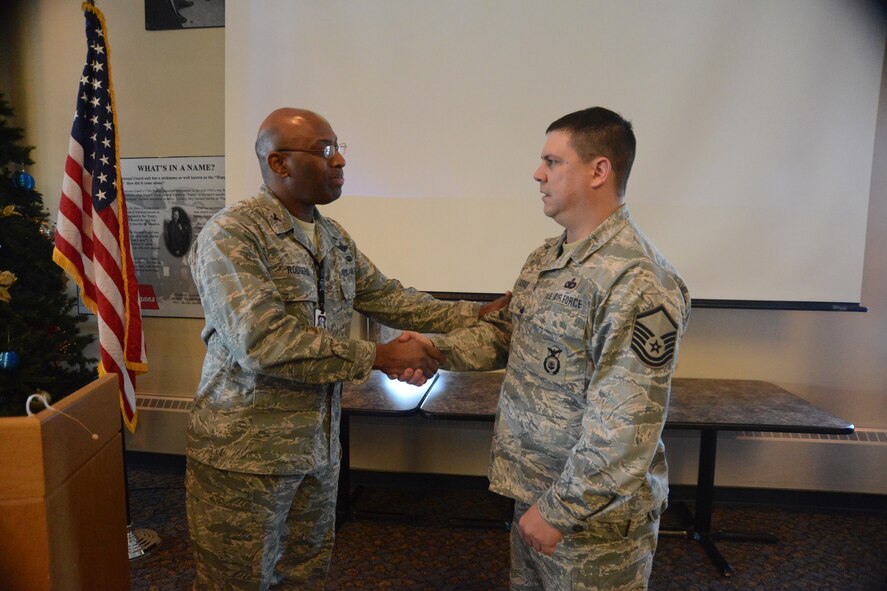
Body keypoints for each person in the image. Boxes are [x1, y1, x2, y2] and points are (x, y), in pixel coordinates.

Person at [185, 107, 506, 590]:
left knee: (304, 574)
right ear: (278, 163)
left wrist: (475, 314)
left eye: (340, 150)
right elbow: (263, 341)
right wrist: (381, 357)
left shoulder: (331, 238)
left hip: (317, 448)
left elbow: (390, 298)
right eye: (325, 151)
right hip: (245, 457)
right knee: (236, 581)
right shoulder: (233, 235)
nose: (339, 163)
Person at [403, 107, 691, 590]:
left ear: (600, 170)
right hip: (534, 492)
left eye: (552, 161)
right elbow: (507, 336)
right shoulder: (546, 258)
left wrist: (560, 511)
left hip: (592, 521)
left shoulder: (638, 282)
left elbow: (626, 431)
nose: (538, 173)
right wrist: (433, 350)